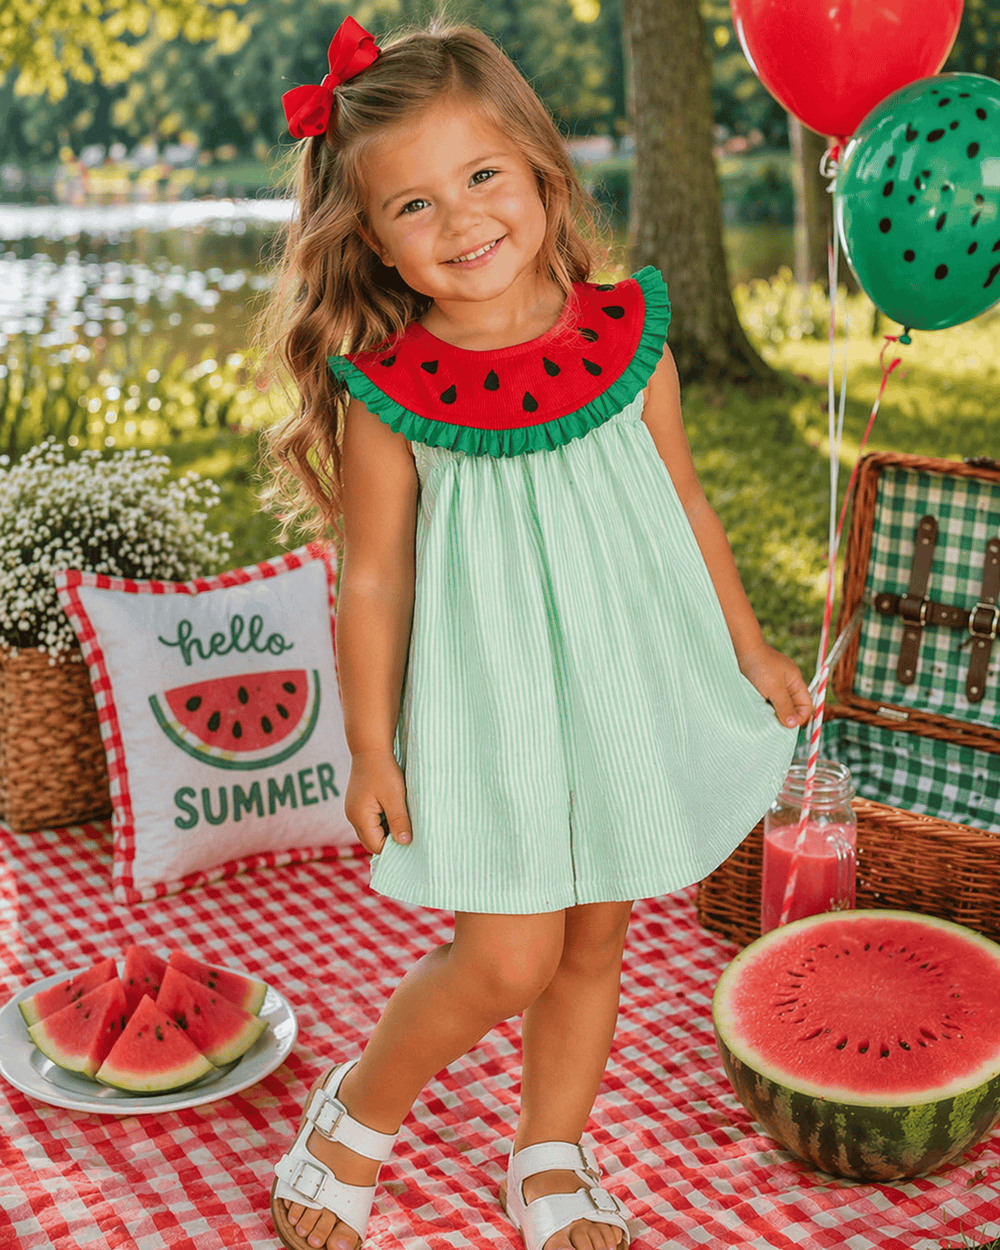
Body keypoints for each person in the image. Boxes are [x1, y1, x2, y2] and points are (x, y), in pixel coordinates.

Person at [256, 14, 812, 1250]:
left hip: (616, 685)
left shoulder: (631, 334)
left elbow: (681, 499)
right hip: (487, 704)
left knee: (596, 936)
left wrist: (747, 646)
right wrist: (369, 744)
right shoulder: (389, 392)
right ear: (376, 245)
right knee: (506, 958)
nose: (458, 223)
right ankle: (357, 1111)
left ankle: (550, 1149)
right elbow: (378, 579)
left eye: (481, 176)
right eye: (412, 207)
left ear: (542, 170)